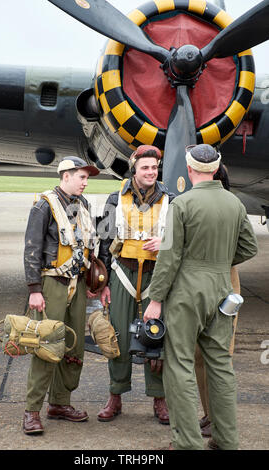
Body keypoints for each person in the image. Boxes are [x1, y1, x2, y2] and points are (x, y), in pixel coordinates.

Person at [143, 144, 258, 450]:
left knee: (179, 365)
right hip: (223, 291)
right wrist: (219, 262)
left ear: (190, 169)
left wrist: (155, 299)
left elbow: (168, 257)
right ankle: (225, 440)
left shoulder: (183, 204)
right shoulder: (235, 204)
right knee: (220, 365)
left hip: (187, 293)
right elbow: (249, 248)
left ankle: (187, 442)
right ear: (217, 168)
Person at [97, 145, 175, 424]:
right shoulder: (114, 198)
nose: (151, 172)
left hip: (157, 274)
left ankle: (159, 397)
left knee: (156, 334)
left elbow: (182, 239)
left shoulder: (171, 199)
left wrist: (165, 243)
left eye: (154, 167)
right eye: (145, 167)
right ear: (134, 169)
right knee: (117, 335)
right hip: (122, 273)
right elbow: (104, 242)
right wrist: (103, 282)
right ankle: (115, 395)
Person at [23, 156, 99, 434]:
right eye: (81, 177)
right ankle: (32, 411)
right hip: (51, 283)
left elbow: (88, 245)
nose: (85, 182)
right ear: (65, 176)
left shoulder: (84, 205)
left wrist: (93, 281)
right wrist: (34, 290)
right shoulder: (44, 206)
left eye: (87, 178)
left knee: (73, 346)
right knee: (45, 345)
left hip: (77, 284)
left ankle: (60, 402)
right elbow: (31, 248)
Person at [196, 162, 240, 438]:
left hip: (223, 285)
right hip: (200, 288)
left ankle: (221, 423)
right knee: (199, 356)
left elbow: (245, 246)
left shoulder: (232, 208)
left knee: (219, 356)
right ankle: (209, 414)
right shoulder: (192, 204)